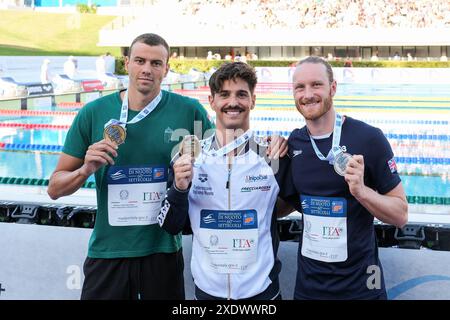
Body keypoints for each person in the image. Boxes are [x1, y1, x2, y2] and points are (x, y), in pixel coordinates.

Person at [47, 33, 214, 300]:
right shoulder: (92, 113)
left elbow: (222, 161)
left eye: (156, 63)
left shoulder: (189, 111)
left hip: (162, 252)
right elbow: (54, 189)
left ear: (167, 68)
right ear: (127, 64)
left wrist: (270, 147)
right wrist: (85, 169)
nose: (147, 69)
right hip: (108, 252)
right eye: (140, 60)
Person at [158, 62, 291, 300]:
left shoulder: (272, 157)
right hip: (209, 293)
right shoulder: (189, 158)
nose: (233, 102)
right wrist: (178, 189)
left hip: (262, 293)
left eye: (241, 94)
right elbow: (169, 225)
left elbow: (294, 203)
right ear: (212, 101)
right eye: (224, 95)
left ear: (253, 101)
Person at [286, 56, 408, 300]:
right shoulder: (294, 143)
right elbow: (284, 205)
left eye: (316, 85)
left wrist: (362, 192)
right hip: (309, 289)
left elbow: (401, 215)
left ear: (333, 88)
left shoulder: (369, 138)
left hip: (362, 287)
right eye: (300, 87)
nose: (308, 94)